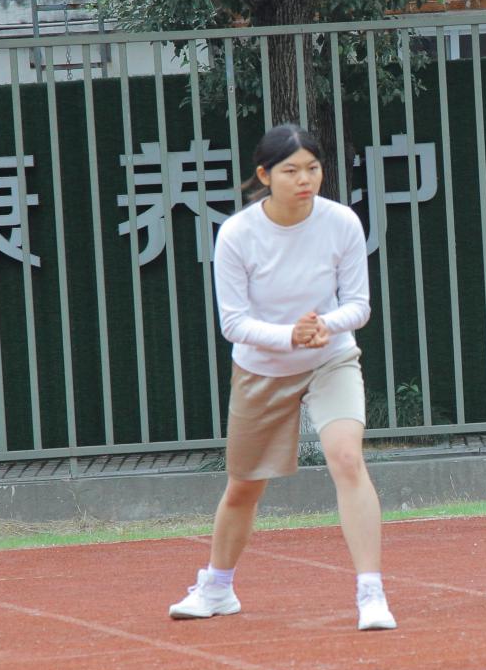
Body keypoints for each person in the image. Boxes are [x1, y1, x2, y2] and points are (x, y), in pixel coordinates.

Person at [169, 123, 396, 631]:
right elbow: (234, 323)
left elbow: (358, 305)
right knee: (243, 487)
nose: (305, 179)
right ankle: (217, 587)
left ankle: (371, 593)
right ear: (264, 175)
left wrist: (323, 327)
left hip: (331, 359)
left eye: (313, 168)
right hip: (262, 368)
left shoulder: (341, 222)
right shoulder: (237, 234)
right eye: (291, 170)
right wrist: (289, 336)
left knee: (347, 458)